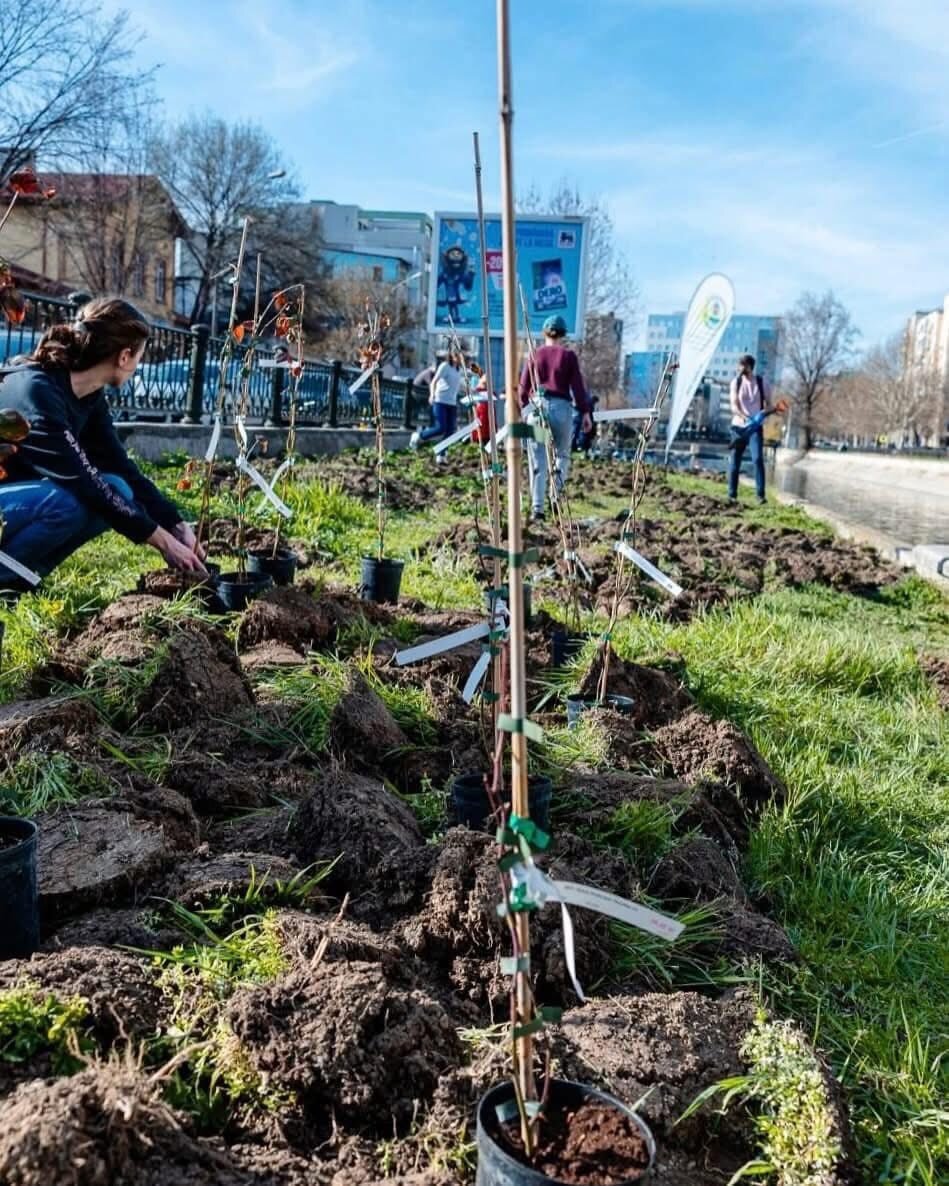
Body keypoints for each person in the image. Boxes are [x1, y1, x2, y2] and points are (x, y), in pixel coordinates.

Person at [0, 297, 207, 594]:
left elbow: (121, 467)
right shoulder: (39, 393)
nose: (138, 366)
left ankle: (22, 578)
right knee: (71, 501)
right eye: (139, 357)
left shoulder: (89, 397)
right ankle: (5, 579)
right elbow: (85, 483)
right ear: (124, 357)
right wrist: (163, 542)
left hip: (14, 501)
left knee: (118, 487)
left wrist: (175, 524)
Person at [518, 314, 592, 521]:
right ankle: (555, 498)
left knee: (538, 458)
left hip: (537, 409)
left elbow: (523, 388)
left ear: (545, 333)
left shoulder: (535, 354)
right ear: (563, 334)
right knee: (562, 455)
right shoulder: (568, 357)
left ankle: (537, 509)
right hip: (561, 409)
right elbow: (578, 387)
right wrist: (585, 412)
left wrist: (524, 409)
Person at [727, 353, 771, 504]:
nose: (739, 368)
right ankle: (732, 495)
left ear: (750, 366)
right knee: (735, 461)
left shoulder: (761, 382)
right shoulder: (736, 382)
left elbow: (769, 405)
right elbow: (734, 405)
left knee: (758, 458)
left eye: (742, 365)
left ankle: (760, 495)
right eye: (739, 365)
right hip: (738, 427)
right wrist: (744, 417)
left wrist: (763, 414)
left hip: (755, 428)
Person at [409, 351, 462, 457]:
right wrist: (432, 395)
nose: (459, 357)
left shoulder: (459, 370)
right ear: (451, 356)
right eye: (456, 355)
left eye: (460, 355)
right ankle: (419, 436)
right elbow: (434, 382)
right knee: (440, 428)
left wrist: (473, 390)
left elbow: (459, 386)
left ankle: (441, 454)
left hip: (452, 403)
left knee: (450, 431)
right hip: (440, 401)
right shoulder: (445, 366)